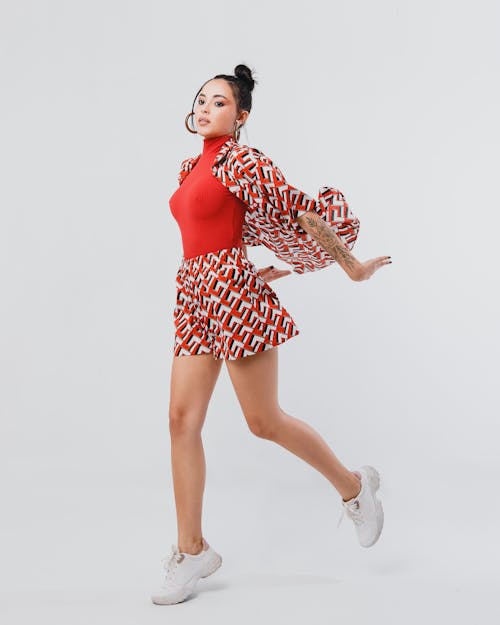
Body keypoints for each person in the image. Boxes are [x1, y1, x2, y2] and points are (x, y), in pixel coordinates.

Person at [151, 64, 391, 606]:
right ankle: (193, 551)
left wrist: (350, 267)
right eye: (201, 100)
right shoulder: (189, 167)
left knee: (264, 421)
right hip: (194, 293)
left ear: (242, 117)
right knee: (180, 420)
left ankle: (355, 489)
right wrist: (235, 262)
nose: (205, 107)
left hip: (232, 298)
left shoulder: (244, 160)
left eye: (219, 101)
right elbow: (222, 229)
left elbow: (301, 212)